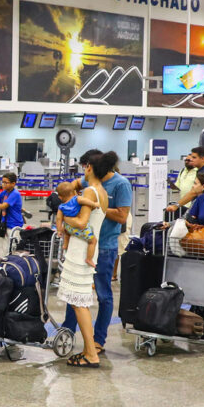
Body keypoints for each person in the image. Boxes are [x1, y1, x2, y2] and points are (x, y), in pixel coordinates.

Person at [61, 150, 131, 356]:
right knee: (75, 291)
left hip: (106, 245)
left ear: (91, 167)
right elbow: (73, 186)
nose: (83, 171)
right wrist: (72, 198)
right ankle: (67, 332)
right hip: (86, 244)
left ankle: (98, 339)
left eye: (85, 166)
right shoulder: (90, 182)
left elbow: (122, 216)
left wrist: (94, 208)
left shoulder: (120, 184)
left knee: (103, 295)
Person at [57, 153, 109, 368]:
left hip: (80, 251)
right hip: (87, 248)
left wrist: (63, 218)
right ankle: (89, 350)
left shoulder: (90, 191)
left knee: (79, 304)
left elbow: (81, 222)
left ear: (89, 168)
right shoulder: (103, 192)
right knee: (80, 302)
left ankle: (91, 354)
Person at [55, 181, 98, 268]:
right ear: (74, 192)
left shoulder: (61, 207)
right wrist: (95, 204)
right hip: (78, 229)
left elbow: (59, 219)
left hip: (68, 227)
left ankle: (65, 245)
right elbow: (86, 201)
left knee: (66, 233)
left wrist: (59, 230)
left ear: (60, 197)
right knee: (93, 241)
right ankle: (89, 259)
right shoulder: (77, 199)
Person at [167, 147, 204, 215]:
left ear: (203, 158)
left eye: (194, 157)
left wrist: (176, 206)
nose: (191, 159)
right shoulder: (200, 170)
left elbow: (193, 192)